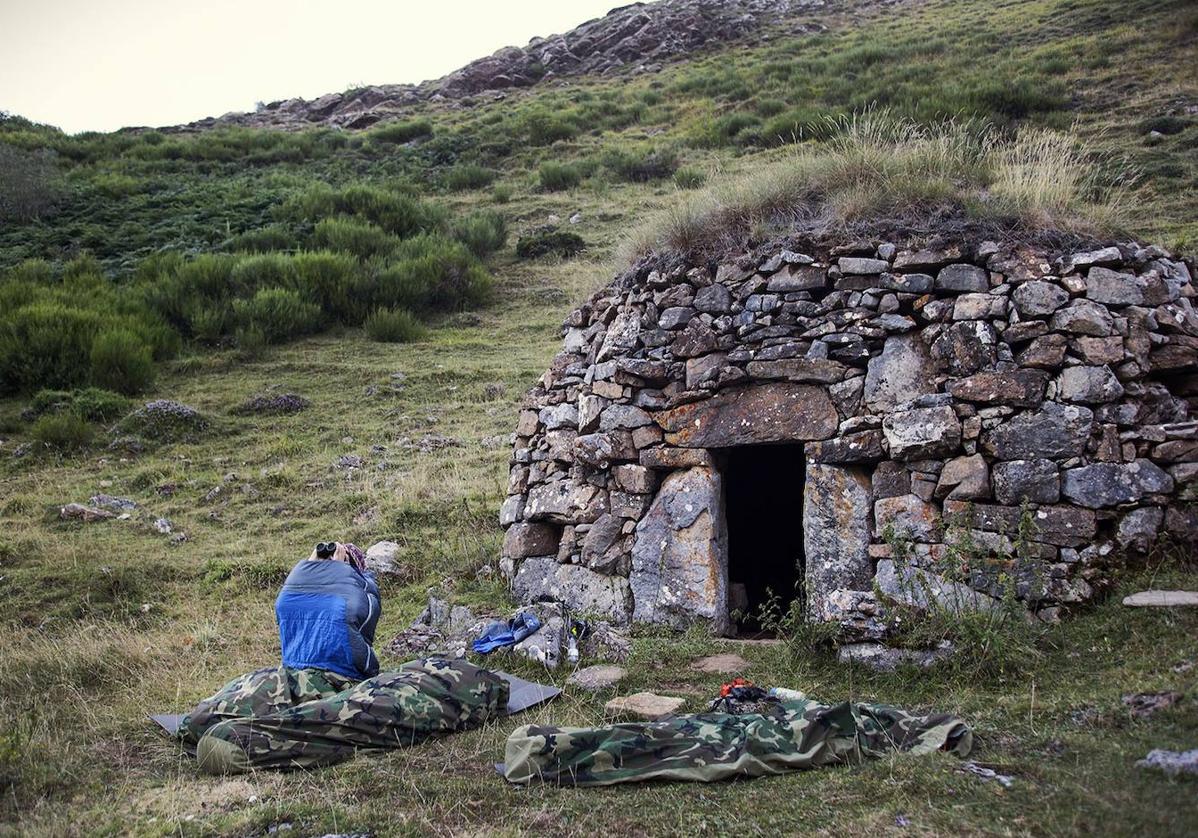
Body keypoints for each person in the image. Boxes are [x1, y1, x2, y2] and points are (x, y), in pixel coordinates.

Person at [177, 542, 508, 774]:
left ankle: (241, 738)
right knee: (199, 720)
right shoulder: (301, 587)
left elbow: (362, 617)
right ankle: (234, 734)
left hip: (339, 681)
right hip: (296, 677)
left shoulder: (360, 592)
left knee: (213, 729)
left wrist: (343, 572)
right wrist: (314, 569)